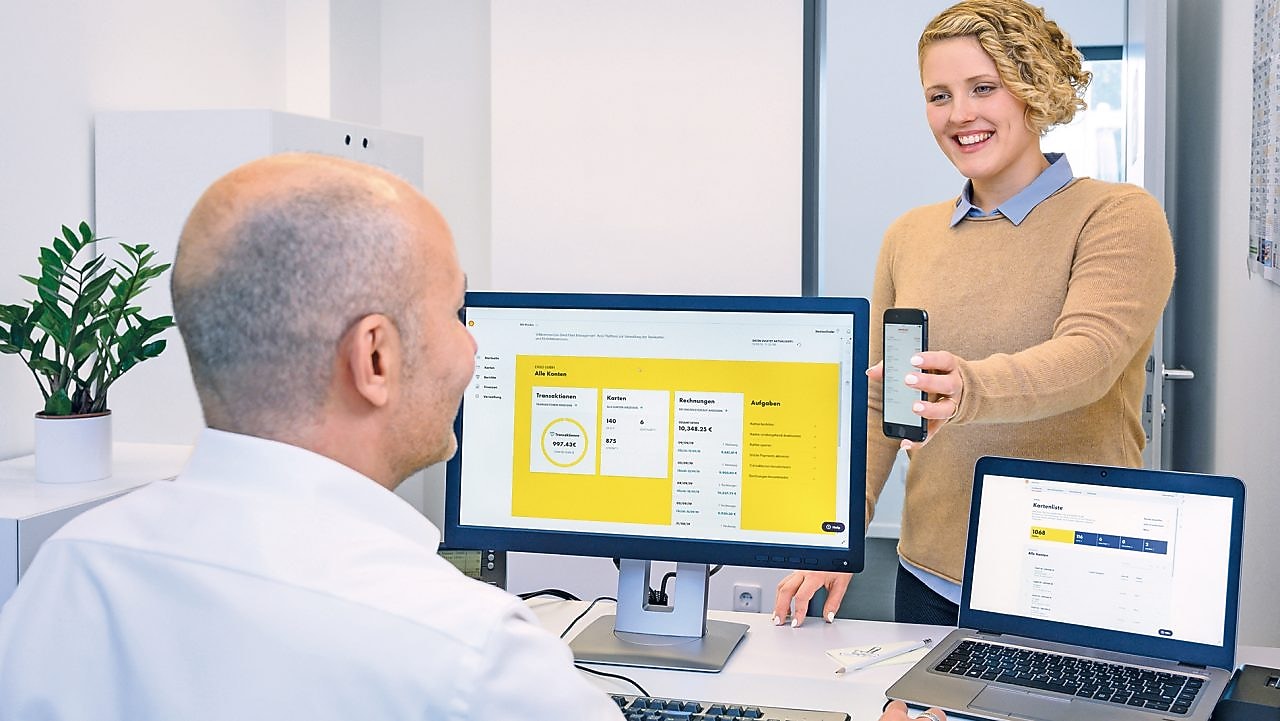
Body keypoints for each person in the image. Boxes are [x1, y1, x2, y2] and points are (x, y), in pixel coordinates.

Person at [0, 153, 946, 721]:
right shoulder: (464, 650)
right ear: (374, 357)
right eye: (457, 311)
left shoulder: (70, 573)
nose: (473, 348)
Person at [774, 0, 1175, 628]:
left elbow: (1090, 358)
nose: (959, 115)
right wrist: (840, 532)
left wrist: (970, 388)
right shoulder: (910, 235)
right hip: (930, 576)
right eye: (939, 95)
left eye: (982, 88)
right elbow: (884, 401)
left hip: (1076, 579)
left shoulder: (1116, 215)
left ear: (1030, 89)